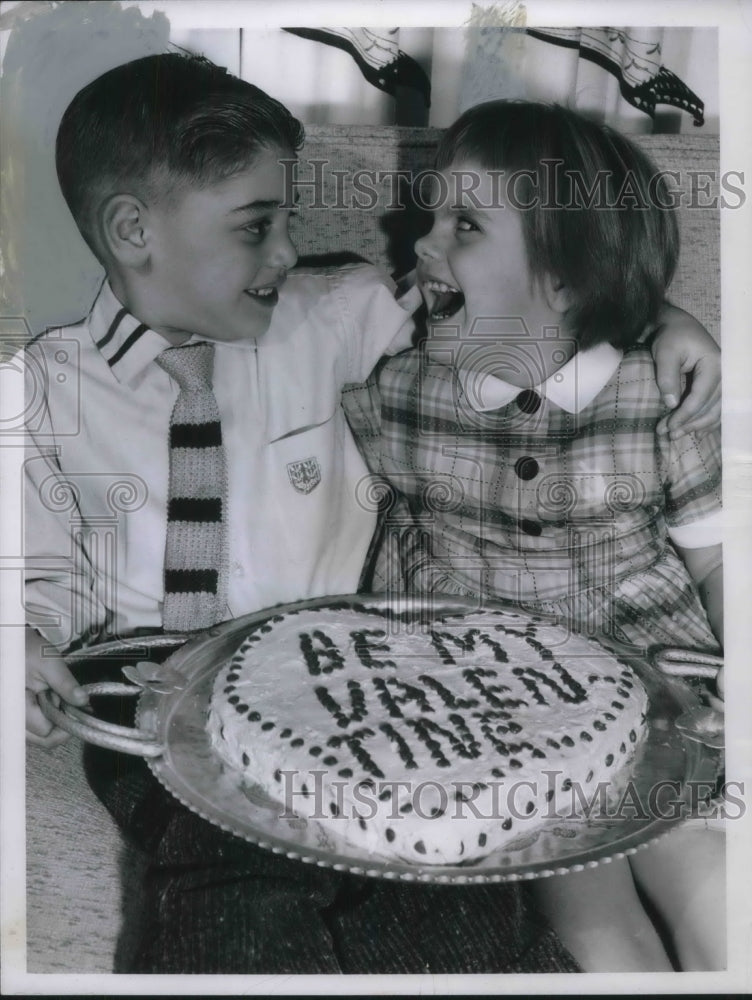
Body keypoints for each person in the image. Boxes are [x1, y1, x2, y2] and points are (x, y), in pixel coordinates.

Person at [23, 55, 721, 974]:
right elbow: (34, 568)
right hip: (157, 694)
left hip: (353, 685)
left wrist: (659, 317)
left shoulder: (342, 312)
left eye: (291, 219)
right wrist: (23, 641)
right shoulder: (40, 391)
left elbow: (521, 314)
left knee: (451, 894)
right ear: (132, 228)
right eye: (257, 226)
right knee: (232, 858)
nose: (285, 251)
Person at [342, 100, 724, 972]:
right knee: (588, 906)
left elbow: (717, 557)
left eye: (465, 225)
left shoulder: (661, 397)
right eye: (430, 215)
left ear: (567, 281)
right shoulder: (396, 390)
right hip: (501, 709)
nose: (423, 244)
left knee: (704, 867)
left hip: (656, 684)